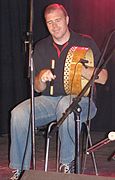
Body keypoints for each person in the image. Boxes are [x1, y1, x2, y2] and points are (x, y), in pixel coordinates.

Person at [9, 3, 108, 180]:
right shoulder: (41, 47)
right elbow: (38, 88)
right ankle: (20, 170)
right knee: (19, 113)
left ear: (67, 19)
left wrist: (86, 71)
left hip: (82, 101)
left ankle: (66, 164)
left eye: (58, 20)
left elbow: (104, 78)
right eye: (49, 22)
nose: (54, 26)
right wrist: (40, 77)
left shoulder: (85, 42)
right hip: (49, 100)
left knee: (65, 104)